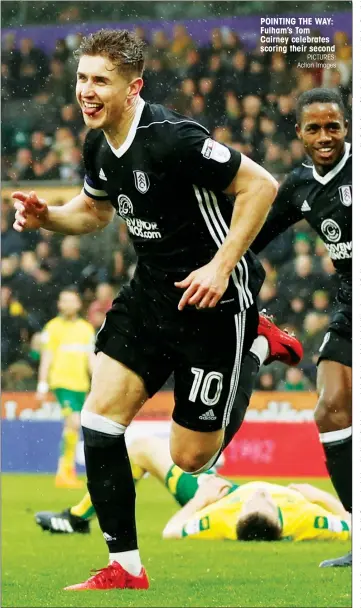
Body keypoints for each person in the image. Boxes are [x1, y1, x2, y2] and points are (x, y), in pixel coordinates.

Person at [12, 29, 282, 591]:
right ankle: (126, 569)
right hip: (151, 297)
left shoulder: (172, 138)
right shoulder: (96, 144)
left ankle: (256, 342)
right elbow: (93, 212)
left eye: (100, 81)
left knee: (189, 459)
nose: (86, 91)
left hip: (213, 301)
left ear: (133, 87)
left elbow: (261, 185)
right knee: (99, 418)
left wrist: (221, 267)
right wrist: (48, 217)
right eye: (82, 78)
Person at [251, 88, 352, 568]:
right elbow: (253, 236)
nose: (324, 136)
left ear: (347, 126)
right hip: (350, 304)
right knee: (330, 411)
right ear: (300, 134)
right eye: (314, 128)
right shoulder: (298, 186)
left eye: (333, 125)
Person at [35, 436, 351, 544]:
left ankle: (76, 518)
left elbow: (173, 532)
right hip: (224, 489)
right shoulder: (308, 519)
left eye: (257, 500)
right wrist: (319, 495)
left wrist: (201, 500)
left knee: (142, 450)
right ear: (280, 520)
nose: (260, 494)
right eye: (263, 499)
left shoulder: (223, 519)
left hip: (218, 494)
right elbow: (352, 524)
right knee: (147, 448)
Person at [36, 288, 95, 488]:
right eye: (64, 300)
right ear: (59, 304)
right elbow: (47, 357)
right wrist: (42, 385)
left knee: (72, 427)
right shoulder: (52, 328)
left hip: (81, 385)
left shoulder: (86, 329)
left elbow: (90, 359)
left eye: (72, 300)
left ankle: (66, 471)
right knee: (74, 422)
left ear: (78, 304)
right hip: (61, 383)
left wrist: (97, 382)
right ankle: (63, 472)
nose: (68, 304)